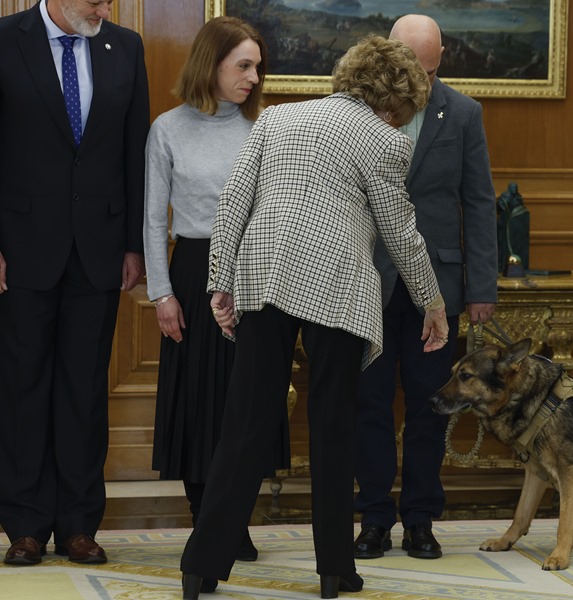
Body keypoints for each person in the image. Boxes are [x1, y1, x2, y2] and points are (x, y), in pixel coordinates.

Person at [178, 35, 449, 600]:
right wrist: (433, 300)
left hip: (265, 276)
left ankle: (201, 565)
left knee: (244, 424)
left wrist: (219, 282)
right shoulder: (383, 140)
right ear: (395, 99)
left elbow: (233, 201)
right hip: (338, 287)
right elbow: (401, 231)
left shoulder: (277, 119)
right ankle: (334, 571)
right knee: (334, 427)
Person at [0, 0, 150, 565]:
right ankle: (25, 524)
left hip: (100, 250)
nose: (104, 6)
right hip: (22, 249)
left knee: (84, 390)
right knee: (22, 387)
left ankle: (79, 524)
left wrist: (134, 242)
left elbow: (136, 151)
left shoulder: (125, 47)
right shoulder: (4, 39)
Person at [142, 17, 284, 593]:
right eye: (242, 65)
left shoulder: (267, 129)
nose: (253, 77)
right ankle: (209, 524)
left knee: (246, 405)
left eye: (257, 67)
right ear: (212, 64)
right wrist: (161, 293)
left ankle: (234, 522)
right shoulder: (166, 129)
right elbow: (154, 219)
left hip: (255, 277)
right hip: (193, 273)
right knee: (198, 403)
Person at [353, 14, 498, 561]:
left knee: (429, 405)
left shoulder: (462, 113)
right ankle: (373, 518)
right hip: (366, 279)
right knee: (367, 403)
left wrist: (482, 285)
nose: (423, 82)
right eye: (414, 69)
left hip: (436, 287)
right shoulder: (355, 107)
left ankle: (419, 519)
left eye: (432, 71)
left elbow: (479, 202)